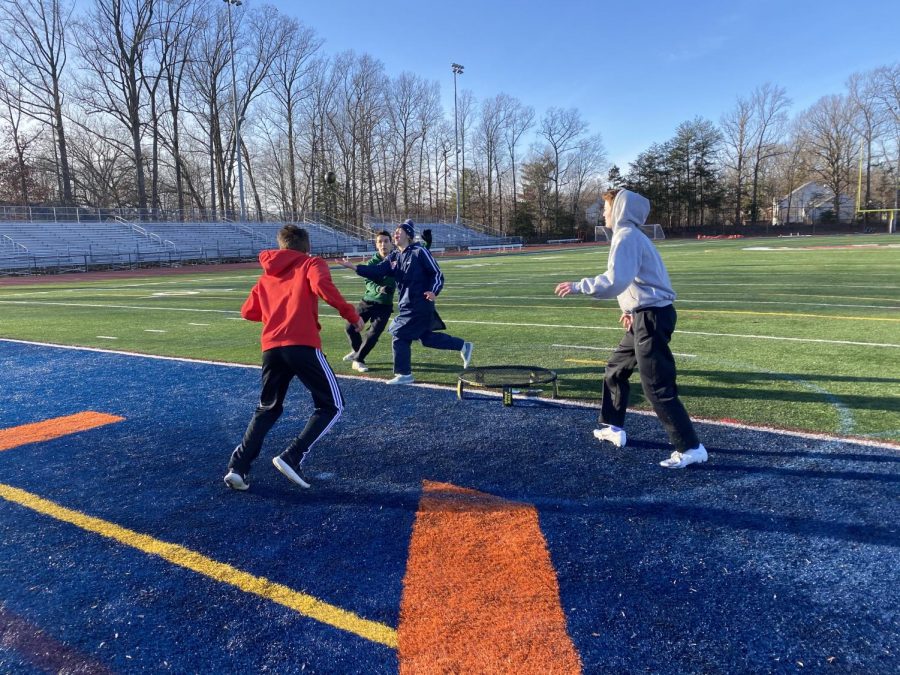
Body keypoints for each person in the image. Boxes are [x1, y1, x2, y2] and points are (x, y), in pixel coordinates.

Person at [554, 189, 707, 469]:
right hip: (644, 316)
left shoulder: (626, 236)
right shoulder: (631, 236)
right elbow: (637, 280)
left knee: (656, 386)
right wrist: (629, 310)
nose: (603, 213)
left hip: (652, 318)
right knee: (616, 368)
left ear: (620, 209)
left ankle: (691, 447)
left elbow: (616, 280)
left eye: (606, 207)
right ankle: (612, 426)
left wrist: (578, 286)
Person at [224, 224, 364, 491]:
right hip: (301, 343)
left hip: (271, 349)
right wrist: (350, 314)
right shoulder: (311, 263)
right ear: (307, 246)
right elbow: (323, 286)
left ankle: (238, 468)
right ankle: (293, 456)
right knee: (332, 405)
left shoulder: (266, 277)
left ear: (281, 246)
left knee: (267, 408)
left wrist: (276, 313)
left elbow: (247, 312)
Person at [338, 219, 473, 385]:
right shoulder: (394, 256)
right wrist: (354, 267)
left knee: (398, 333)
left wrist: (434, 290)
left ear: (408, 235)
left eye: (398, 232)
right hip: (407, 306)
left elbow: (437, 273)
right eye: (395, 232)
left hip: (420, 305)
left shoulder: (419, 251)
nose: (395, 234)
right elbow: (377, 271)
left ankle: (404, 374)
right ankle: (463, 346)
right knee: (426, 338)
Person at [341, 230, 396, 373]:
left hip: (384, 306)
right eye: (380, 242)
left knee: (373, 334)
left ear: (391, 243)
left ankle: (358, 359)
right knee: (349, 327)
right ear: (376, 245)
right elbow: (369, 282)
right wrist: (379, 289)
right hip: (367, 301)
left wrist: (427, 243)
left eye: (386, 241)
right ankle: (356, 351)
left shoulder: (397, 260)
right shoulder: (372, 262)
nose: (383, 244)